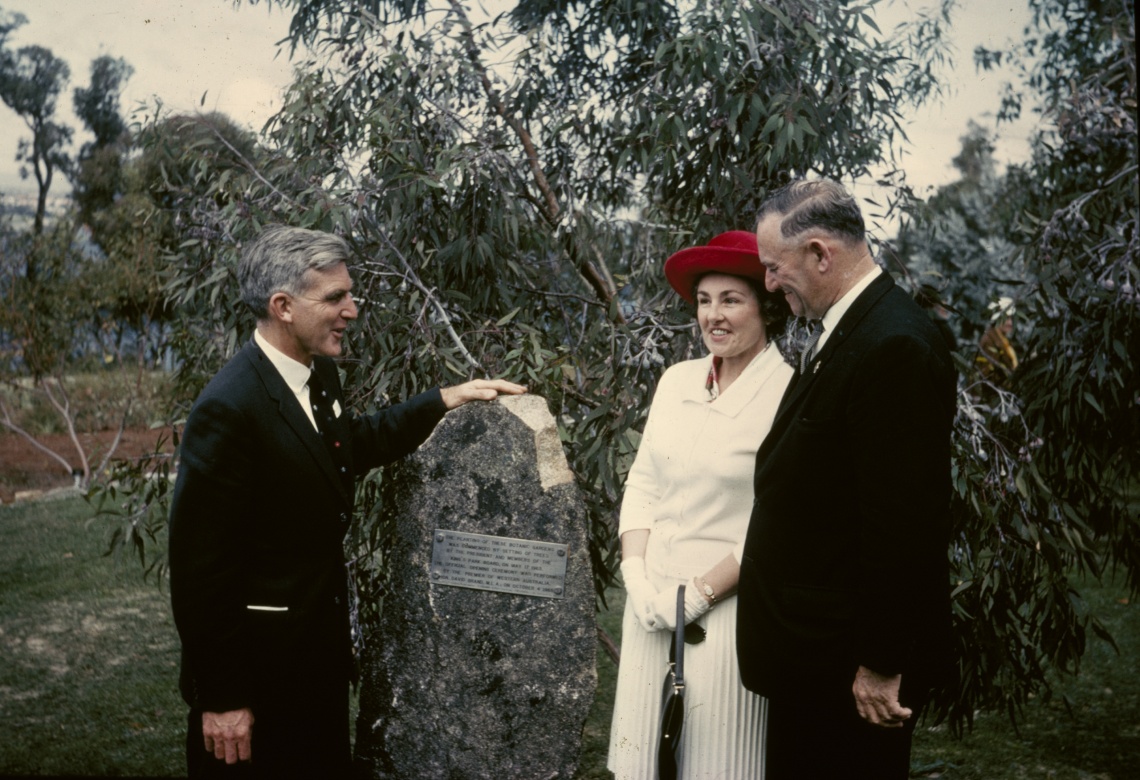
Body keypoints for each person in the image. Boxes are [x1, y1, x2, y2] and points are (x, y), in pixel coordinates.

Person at [168, 224, 525, 777]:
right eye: (335, 297)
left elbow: (344, 446)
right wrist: (222, 698)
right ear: (283, 306)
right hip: (258, 684)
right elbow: (200, 572)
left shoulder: (318, 375)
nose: (352, 310)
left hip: (317, 664)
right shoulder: (229, 410)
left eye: (349, 294)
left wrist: (442, 401)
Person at [736, 179, 956, 778]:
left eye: (775, 267)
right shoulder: (855, 326)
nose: (771, 283)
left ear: (819, 254)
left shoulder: (895, 345)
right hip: (816, 660)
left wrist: (880, 663)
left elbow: (904, 523)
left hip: (849, 672)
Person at [608, 230, 795, 779]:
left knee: (717, 767)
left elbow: (775, 523)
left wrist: (697, 597)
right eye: (704, 301)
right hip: (649, 612)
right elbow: (643, 483)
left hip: (728, 618)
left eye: (731, 300)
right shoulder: (676, 381)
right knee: (641, 764)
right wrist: (636, 578)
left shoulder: (789, 393)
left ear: (766, 306)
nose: (714, 315)